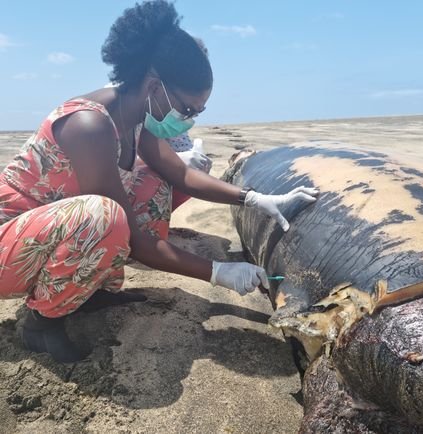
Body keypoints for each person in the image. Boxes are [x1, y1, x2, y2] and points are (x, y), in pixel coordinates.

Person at [0, 0, 318, 362]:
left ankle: (92, 289)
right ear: (154, 87)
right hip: (9, 245)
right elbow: (135, 241)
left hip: (51, 236)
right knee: (104, 216)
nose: (190, 120)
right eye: (187, 109)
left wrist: (253, 198)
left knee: (154, 183)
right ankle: (42, 322)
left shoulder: (136, 118)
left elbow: (180, 173)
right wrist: (219, 272)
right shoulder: (89, 126)